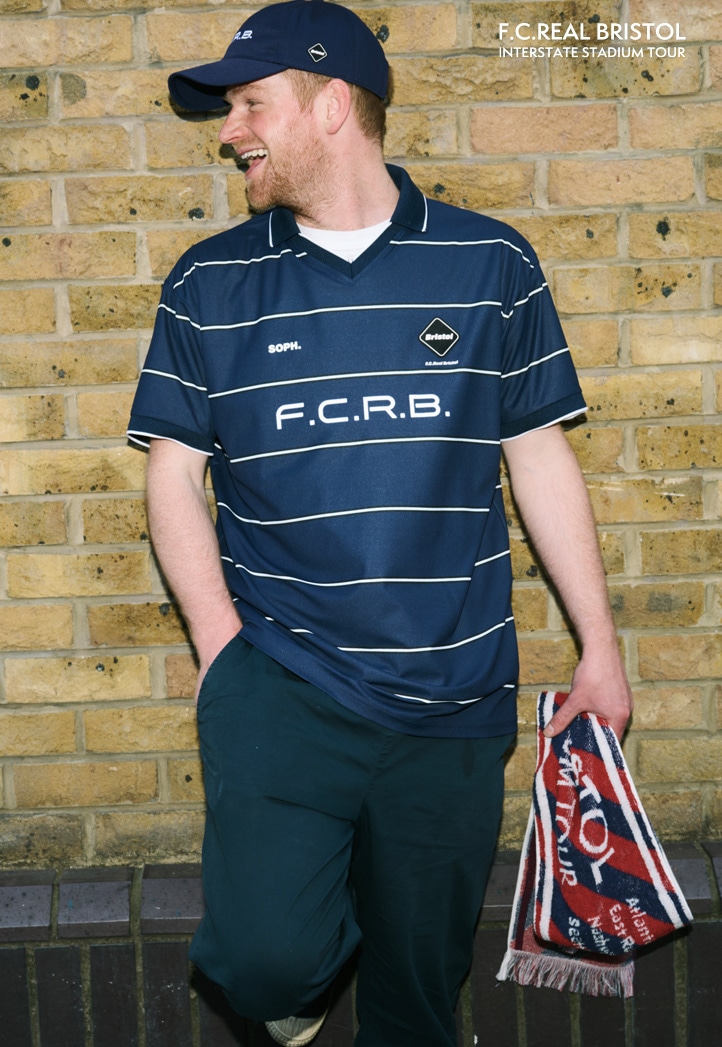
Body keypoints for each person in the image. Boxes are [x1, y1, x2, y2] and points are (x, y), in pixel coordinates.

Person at [128, 2, 633, 1044]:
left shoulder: (490, 262)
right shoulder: (209, 281)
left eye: (250, 104)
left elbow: (537, 454)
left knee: (416, 997)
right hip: (282, 682)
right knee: (262, 962)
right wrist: (223, 656)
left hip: (452, 695)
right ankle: (306, 971)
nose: (231, 131)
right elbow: (173, 476)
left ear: (331, 105)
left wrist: (600, 647)